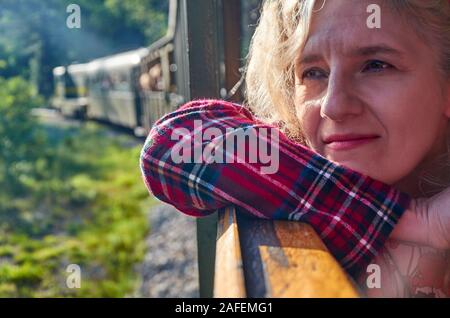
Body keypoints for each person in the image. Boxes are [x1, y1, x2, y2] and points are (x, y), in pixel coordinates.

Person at [140, 0, 450, 297]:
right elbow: (173, 143)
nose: (333, 105)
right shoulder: (296, 153)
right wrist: (411, 219)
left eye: (375, 65)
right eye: (313, 72)